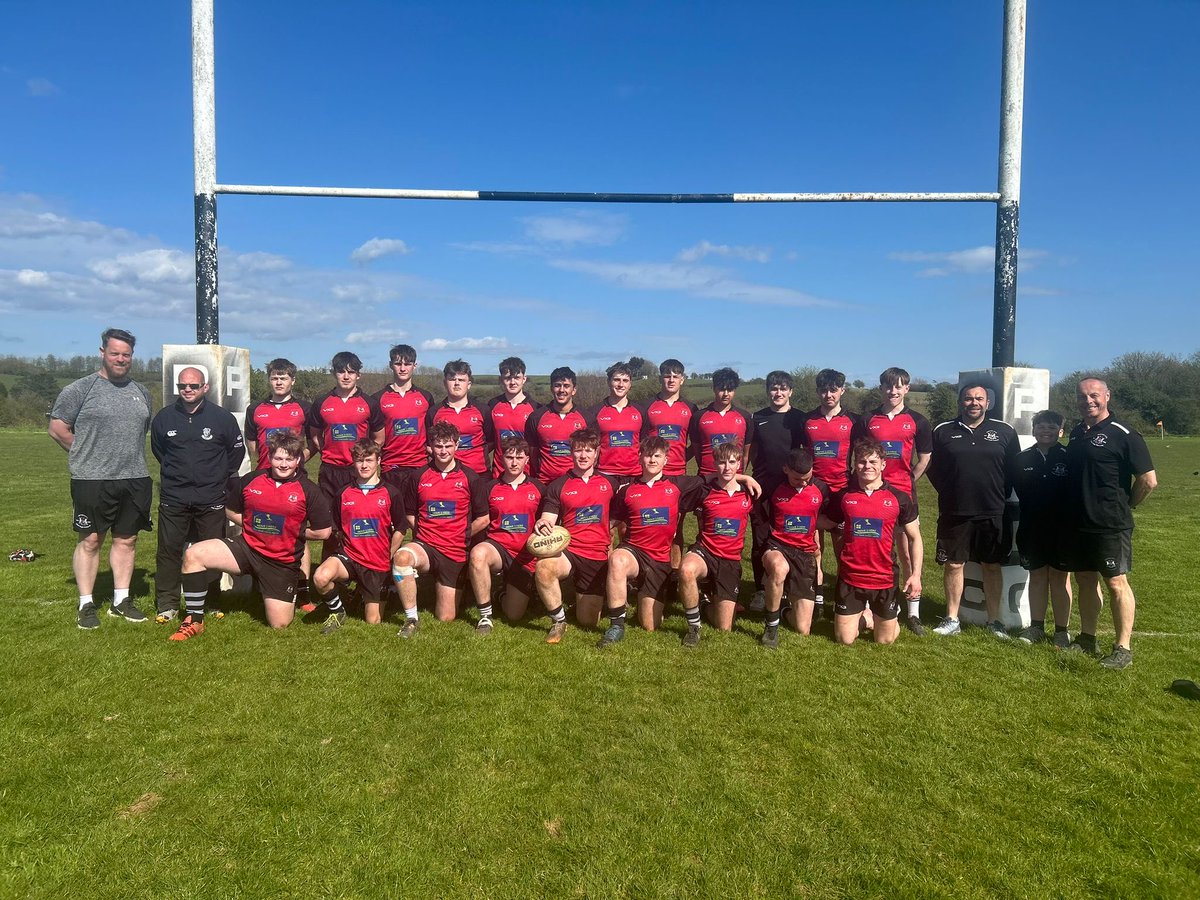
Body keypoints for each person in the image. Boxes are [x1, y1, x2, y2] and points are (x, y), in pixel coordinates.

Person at [168, 432, 333, 641]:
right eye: (278, 458)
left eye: (289, 459)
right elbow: (230, 509)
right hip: (247, 548)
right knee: (193, 554)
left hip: (280, 562)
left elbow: (323, 531)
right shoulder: (252, 480)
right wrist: (251, 526)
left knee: (280, 624)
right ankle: (194, 619)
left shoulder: (309, 491)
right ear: (270, 457)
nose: (283, 464)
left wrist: (293, 530)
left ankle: (276, 592)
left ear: (298, 459)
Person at [49, 327, 154, 629]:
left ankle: (121, 601)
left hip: (135, 477)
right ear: (102, 353)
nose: (121, 359)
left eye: (126, 354)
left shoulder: (141, 393)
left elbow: (141, 432)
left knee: (127, 539)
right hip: (92, 479)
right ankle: (86, 603)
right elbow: (58, 429)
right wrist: (86, 454)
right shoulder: (80, 389)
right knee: (91, 541)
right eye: (115, 353)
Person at [1065, 377, 1157, 669]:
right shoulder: (1078, 433)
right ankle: (1087, 637)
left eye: (1094, 395)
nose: (1088, 401)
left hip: (1110, 525)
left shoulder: (1125, 434)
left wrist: (1127, 505)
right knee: (1085, 580)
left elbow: (1148, 480)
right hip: (1078, 522)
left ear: (1107, 396)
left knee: (1116, 583)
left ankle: (1123, 648)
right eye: (1082, 397)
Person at [150, 366, 245, 623]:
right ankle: (167, 604)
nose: (188, 390)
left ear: (205, 387)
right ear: (177, 388)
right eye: (183, 386)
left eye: (193, 385)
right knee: (169, 551)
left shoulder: (222, 417)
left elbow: (235, 453)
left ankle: (212, 601)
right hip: (174, 497)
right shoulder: (164, 418)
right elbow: (159, 452)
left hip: (211, 498)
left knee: (211, 551)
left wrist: (216, 478)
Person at [928, 382, 1020, 639]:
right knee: (954, 565)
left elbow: (1013, 469)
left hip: (993, 511)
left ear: (987, 403)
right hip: (954, 512)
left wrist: (998, 494)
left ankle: (994, 621)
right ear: (961, 402)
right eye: (968, 398)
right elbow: (933, 468)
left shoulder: (1004, 431)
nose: (974, 403)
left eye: (979, 398)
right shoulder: (943, 430)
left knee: (991, 566)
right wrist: (950, 491)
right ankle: (951, 618)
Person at [600, 435, 710, 645]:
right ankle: (616, 625)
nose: (652, 460)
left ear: (666, 459)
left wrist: (744, 478)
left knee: (650, 625)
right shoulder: (627, 490)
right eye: (648, 455)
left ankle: (648, 592)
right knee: (617, 560)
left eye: (657, 456)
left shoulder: (678, 484)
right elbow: (611, 522)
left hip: (659, 560)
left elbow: (712, 478)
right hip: (634, 552)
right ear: (640, 457)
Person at [852, 366, 932, 634]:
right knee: (874, 547)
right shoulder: (867, 419)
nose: (893, 391)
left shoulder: (918, 421)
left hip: (904, 495)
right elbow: (860, 455)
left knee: (908, 550)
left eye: (899, 386)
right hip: (874, 493)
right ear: (881, 389)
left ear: (906, 389)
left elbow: (924, 459)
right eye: (888, 386)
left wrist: (908, 482)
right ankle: (873, 604)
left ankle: (913, 611)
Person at [820, 438, 922, 647]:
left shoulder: (899, 498)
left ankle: (884, 618)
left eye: (873, 462)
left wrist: (916, 575)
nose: (867, 467)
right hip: (850, 577)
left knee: (885, 641)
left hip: (884, 578)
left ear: (883, 464)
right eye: (862, 462)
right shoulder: (844, 496)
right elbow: (825, 521)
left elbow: (915, 538)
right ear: (855, 465)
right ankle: (867, 618)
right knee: (844, 639)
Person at [391, 421, 489, 635]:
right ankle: (411, 619)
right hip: (426, 546)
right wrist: (425, 532)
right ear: (430, 447)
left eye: (447, 445)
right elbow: (409, 513)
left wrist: (462, 534)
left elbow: (484, 518)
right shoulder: (418, 476)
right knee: (402, 558)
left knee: (445, 618)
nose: (443, 451)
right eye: (438, 446)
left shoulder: (471, 478)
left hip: (454, 550)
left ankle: (454, 587)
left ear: (457, 445)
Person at [531, 428, 619, 643]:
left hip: (597, 554)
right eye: (578, 450)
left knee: (588, 621)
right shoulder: (558, 485)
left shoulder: (611, 484)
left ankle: (590, 599)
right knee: (543, 568)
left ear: (597, 452)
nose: (583, 455)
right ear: (571, 453)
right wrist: (543, 524)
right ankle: (558, 621)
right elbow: (548, 519)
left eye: (588, 450)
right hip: (569, 552)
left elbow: (619, 517)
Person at [311, 439, 406, 633]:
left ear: (379, 461)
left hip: (377, 561)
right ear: (353, 462)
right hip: (350, 557)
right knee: (320, 577)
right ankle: (338, 612)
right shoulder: (343, 493)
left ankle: (371, 591)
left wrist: (388, 556)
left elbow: (401, 529)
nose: (364, 465)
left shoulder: (391, 493)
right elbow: (336, 529)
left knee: (373, 621)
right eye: (359, 460)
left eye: (369, 460)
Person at [307, 351, 385, 560]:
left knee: (359, 523)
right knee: (331, 525)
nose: (346, 376)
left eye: (351, 372)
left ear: (358, 375)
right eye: (341, 371)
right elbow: (314, 434)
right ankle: (330, 578)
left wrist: (365, 461)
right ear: (334, 373)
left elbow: (379, 437)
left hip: (357, 472)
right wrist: (326, 450)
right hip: (330, 472)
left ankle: (361, 570)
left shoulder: (370, 403)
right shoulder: (322, 402)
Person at [678, 441, 756, 647]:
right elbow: (679, 491)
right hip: (705, 551)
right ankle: (694, 626)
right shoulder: (704, 490)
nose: (727, 467)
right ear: (714, 464)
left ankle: (704, 604)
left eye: (732, 462)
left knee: (724, 627)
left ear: (740, 463)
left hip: (730, 560)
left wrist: (745, 478)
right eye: (722, 462)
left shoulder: (750, 492)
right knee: (686, 569)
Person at [467, 436, 544, 634]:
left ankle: (502, 593)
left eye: (519, 457)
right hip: (498, 548)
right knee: (478, 554)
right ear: (502, 458)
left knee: (513, 615)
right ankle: (485, 616)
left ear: (527, 459)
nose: (514, 462)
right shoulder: (489, 487)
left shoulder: (539, 488)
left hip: (526, 554)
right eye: (510, 457)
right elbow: (481, 521)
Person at [801, 367, 860, 621]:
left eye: (833, 390)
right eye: (823, 390)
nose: (828, 395)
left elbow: (862, 457)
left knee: (842, 549)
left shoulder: (854, 421)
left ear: (842, 391)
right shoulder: (807, 420)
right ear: (817, 392)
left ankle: (844, 598)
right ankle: (818, 598)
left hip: (841, 493)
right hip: (814, 492)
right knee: (814, 548)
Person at [1010, 409, 1073, 647]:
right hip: (1032, 528)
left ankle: (1061, 631)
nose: (1045, 430)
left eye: (1051, 427)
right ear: (1034, 430)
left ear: (1060, 431)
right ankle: (1036, 627)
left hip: (1063, 529)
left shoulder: (1070, 457)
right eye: (1041, 426)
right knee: (1036, 577)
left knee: (1059, 579)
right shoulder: (1021, 459)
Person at [747, 370, 805, 611]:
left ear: (790, 391)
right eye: (773, 388)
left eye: (782, 388)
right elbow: (748, 452)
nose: (778, 393)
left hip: (790, 488)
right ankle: (761, 589)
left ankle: (790, 587)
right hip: (761, 487)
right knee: (760, 538)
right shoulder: (757, 417)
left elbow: (805, 454)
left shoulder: (799, 419)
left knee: (791, 536)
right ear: (767, 391)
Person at [760, 447, 828, 647]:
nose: (804, 482)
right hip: (777, 546)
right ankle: (771, 626)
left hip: (804, 553)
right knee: (779, 569)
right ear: (786, 469)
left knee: (802, 629)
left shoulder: (822, 489)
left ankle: (784, 610)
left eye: (807, 477)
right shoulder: (772, 486)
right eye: (798, 479)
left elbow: (828, 518)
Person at [373, 343, 435, 487]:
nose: (402, 368)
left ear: (415, 365)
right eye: (398, 363)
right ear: (390, 365)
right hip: (390, 466)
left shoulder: (426, 397)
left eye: (407, 364)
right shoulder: (377, 398)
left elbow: (432, 433)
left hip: (419, 466)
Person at [427, 359, 492, 476]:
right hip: (445, 473)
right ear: (445, 383)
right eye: (452, 379)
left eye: (461, 380)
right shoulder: (433, 412)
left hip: (479, 473)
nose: (457, 383)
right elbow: (428, 443)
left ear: (469, 385)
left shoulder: (483, 410)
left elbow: (492, 441)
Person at [524, 366, 588, 484]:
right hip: (545, 482)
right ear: (551, 388)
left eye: (566, 386)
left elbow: (595, 451)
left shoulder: (587, 417)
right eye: (557, 385)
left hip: (576, 482)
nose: (561, 390)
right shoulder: (536, 417)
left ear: (574, 390)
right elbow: (532, 452)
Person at [245, 358, 311, 471]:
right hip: (264, 471)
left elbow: (313, 443)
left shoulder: (305, 408)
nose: (279, 383)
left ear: (293, 380)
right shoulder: (254, 408)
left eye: (283, 379)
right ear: (269, 380)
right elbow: (252, 443)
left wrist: (296, 461)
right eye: (274, 379)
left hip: (294, 473)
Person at [689, 367, 754, 477]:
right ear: (713, 388)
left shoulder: (745, 417)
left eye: (730, 390)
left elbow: (746, 454)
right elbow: (697, 450)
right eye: (721, 389)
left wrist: (739, 475)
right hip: (706, 478)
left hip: (734, 479)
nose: (726, 394)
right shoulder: (698, 417)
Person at [586, 362, 644, 482]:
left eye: (625, 380)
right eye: (616, 380)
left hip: (634, 475)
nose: (621, 384)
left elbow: (644, 444)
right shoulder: (594, 412)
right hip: (604, 474)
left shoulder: (640, 411)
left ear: (630, 384)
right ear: (608, 382)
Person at [486, 357, 538, 479]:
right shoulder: (492, 405)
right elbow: (487, 440)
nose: (512, 382)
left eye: (517, 378)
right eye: (508, 378)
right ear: (501, 380)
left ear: (524, 379)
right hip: (498, 475)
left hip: (527, 476)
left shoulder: (535, 408)